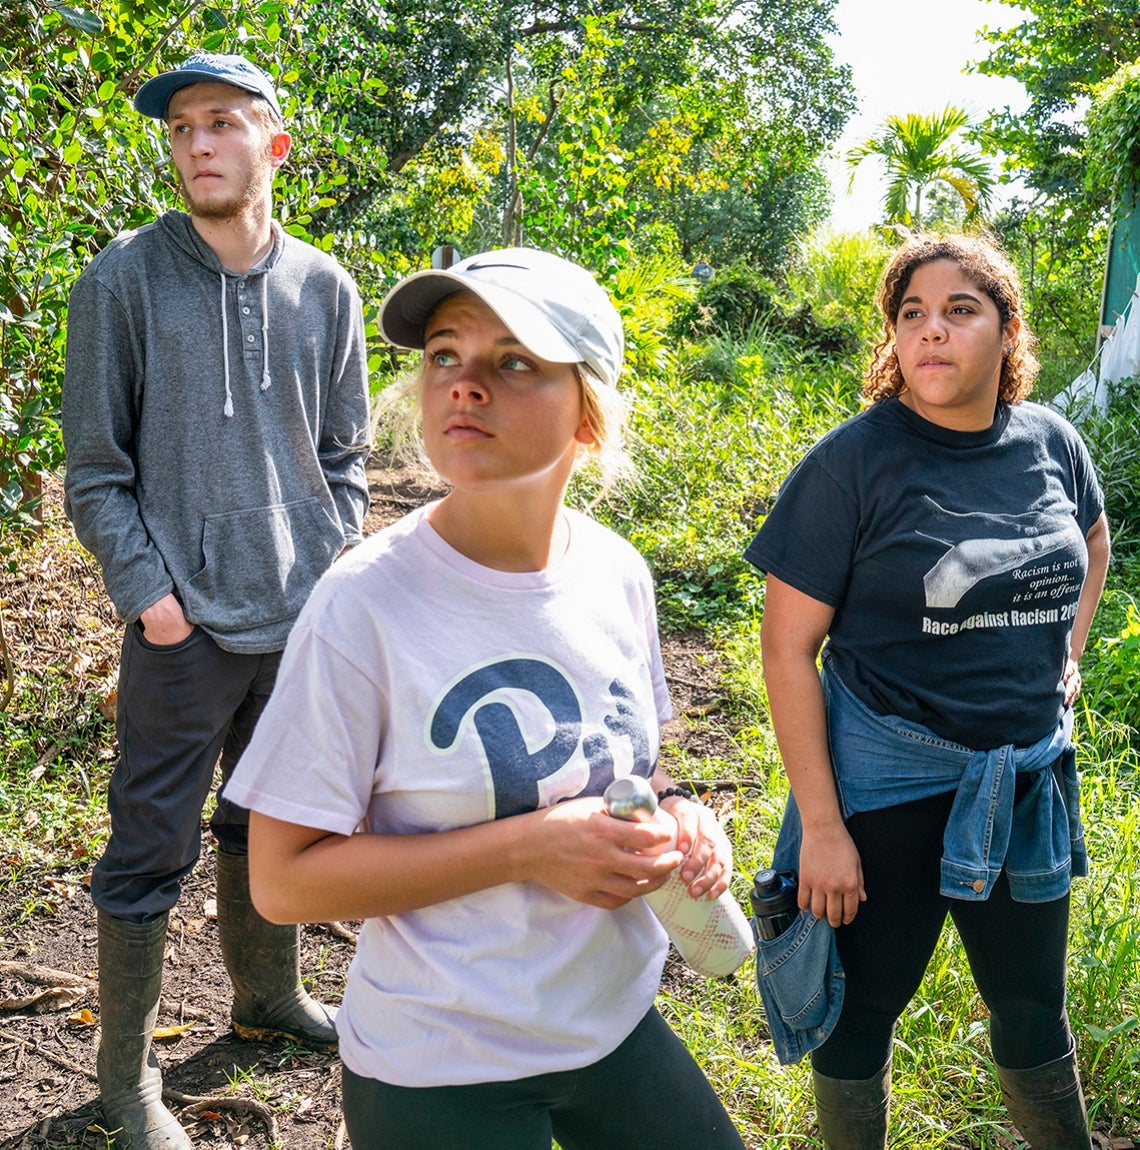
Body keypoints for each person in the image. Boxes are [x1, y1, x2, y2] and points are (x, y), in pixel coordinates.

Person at [224, 247, 747, 1150]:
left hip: (613, 1025)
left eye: (513, 361)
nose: (465, 385)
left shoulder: (616, 572)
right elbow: (280, 881)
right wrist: (528, 849)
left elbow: (633, 771)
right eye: (444, 355)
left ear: (588, 415)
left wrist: (681, 818)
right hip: (441, 1061)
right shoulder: (364, 604)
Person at [61, 52, 371, 1148]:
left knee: (269, 819)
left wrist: (332, 567)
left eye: (224, 123)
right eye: (183, 127)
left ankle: (265, 997)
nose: (199, 144)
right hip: (181, 629)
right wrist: (153, 601)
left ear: (272, 145)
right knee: (148, 845)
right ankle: (124, 1083)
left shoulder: (326, 287)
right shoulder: (124, 280)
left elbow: (345, 457)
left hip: (298, 622)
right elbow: (94, 469)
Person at [745, 232, 1110, 1149]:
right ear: (893, 341)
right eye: (911, 315)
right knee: (863, 1013)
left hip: (1025, 780)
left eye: (959, 310)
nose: (931, 332)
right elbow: (788, 652)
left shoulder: (1051, 443)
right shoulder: (852, 464)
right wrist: (822, 829)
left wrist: (1066, 651)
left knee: (1032, 1008)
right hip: (887, 789)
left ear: (1006, 329)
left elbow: (1093, 544)